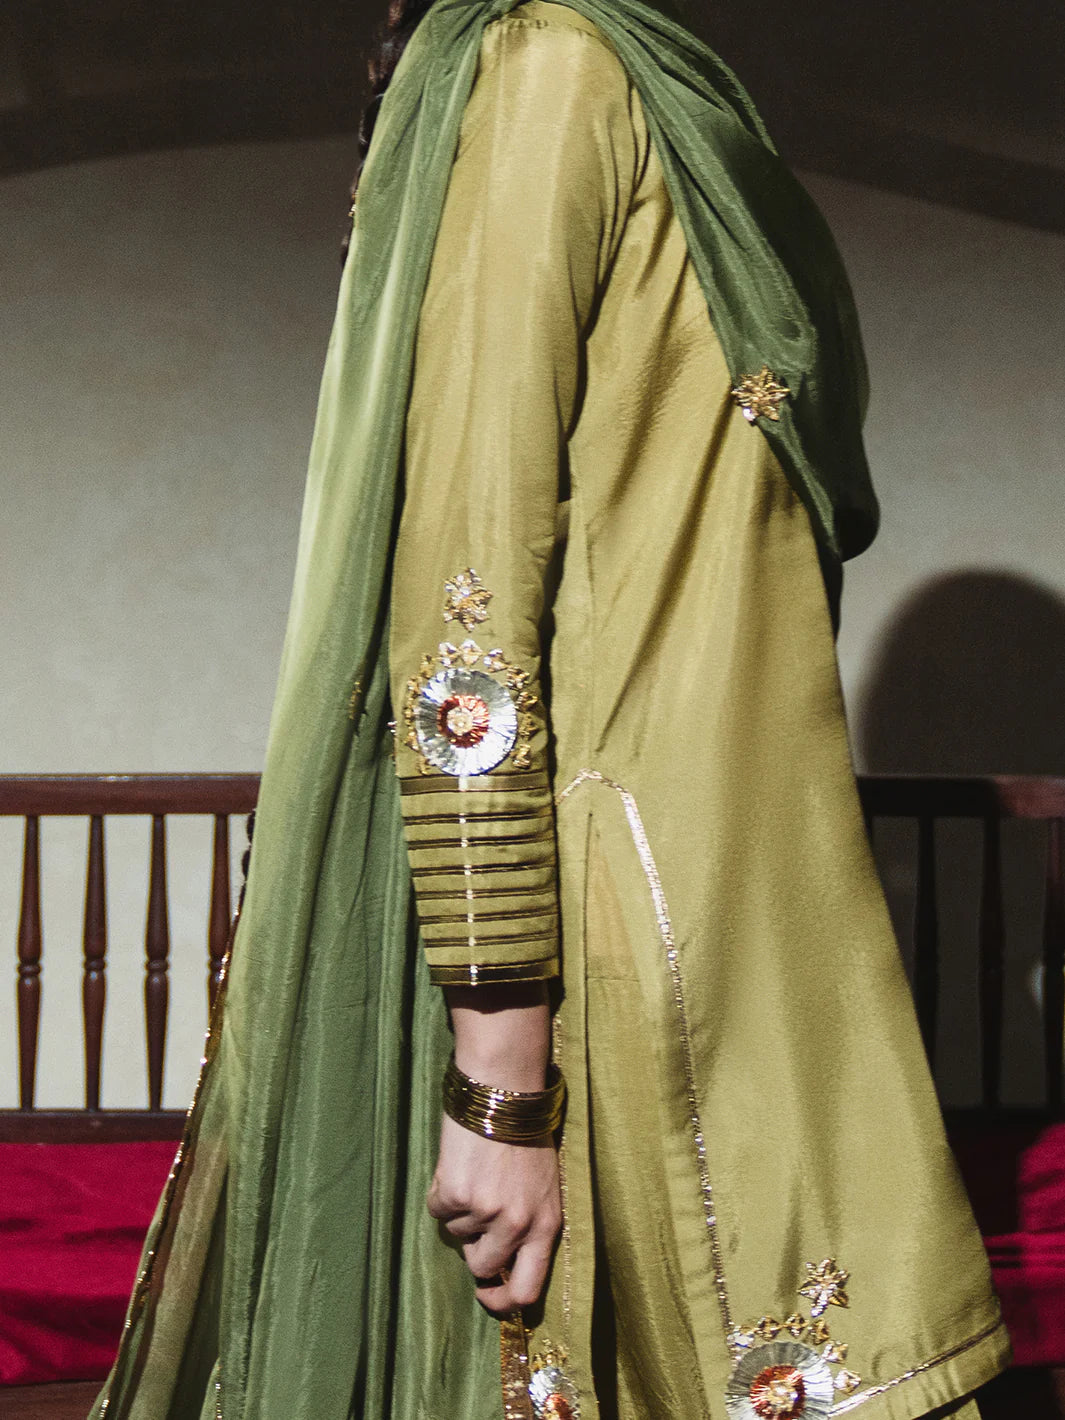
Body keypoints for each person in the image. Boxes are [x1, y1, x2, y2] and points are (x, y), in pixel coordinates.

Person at [91, 2, 1010, 1418]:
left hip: (756, 907)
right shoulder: (548, 72)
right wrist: (500, 1090)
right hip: (617, 952)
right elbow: (465, 603)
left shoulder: (649, 80)